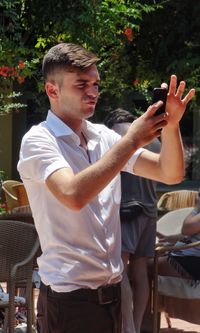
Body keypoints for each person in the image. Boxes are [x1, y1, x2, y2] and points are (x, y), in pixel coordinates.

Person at [17, 42, 195, 333]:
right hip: (70, 301)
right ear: (53, 90)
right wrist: (131, 140)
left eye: (96, 84)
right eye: (82, 84)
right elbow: (73, 195)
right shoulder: (39, 140)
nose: (93, 92)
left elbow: (170, 172)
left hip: (114, 292)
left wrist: (171, 125)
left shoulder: (103, 137)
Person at [104, 108, 160, 333]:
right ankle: (136, 326)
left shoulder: (119, 135)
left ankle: (127, 328)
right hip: (150, 211)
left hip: (127, 209)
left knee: (120, 269)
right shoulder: (153, 139)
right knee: (140, 272)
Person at [153, 191, 200, 283]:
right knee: (141, 261)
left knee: (138, 268)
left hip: (189, 262)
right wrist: (169, 238)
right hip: (184, 257)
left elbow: (187, 228)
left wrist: (197, 206)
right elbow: (191, 233)